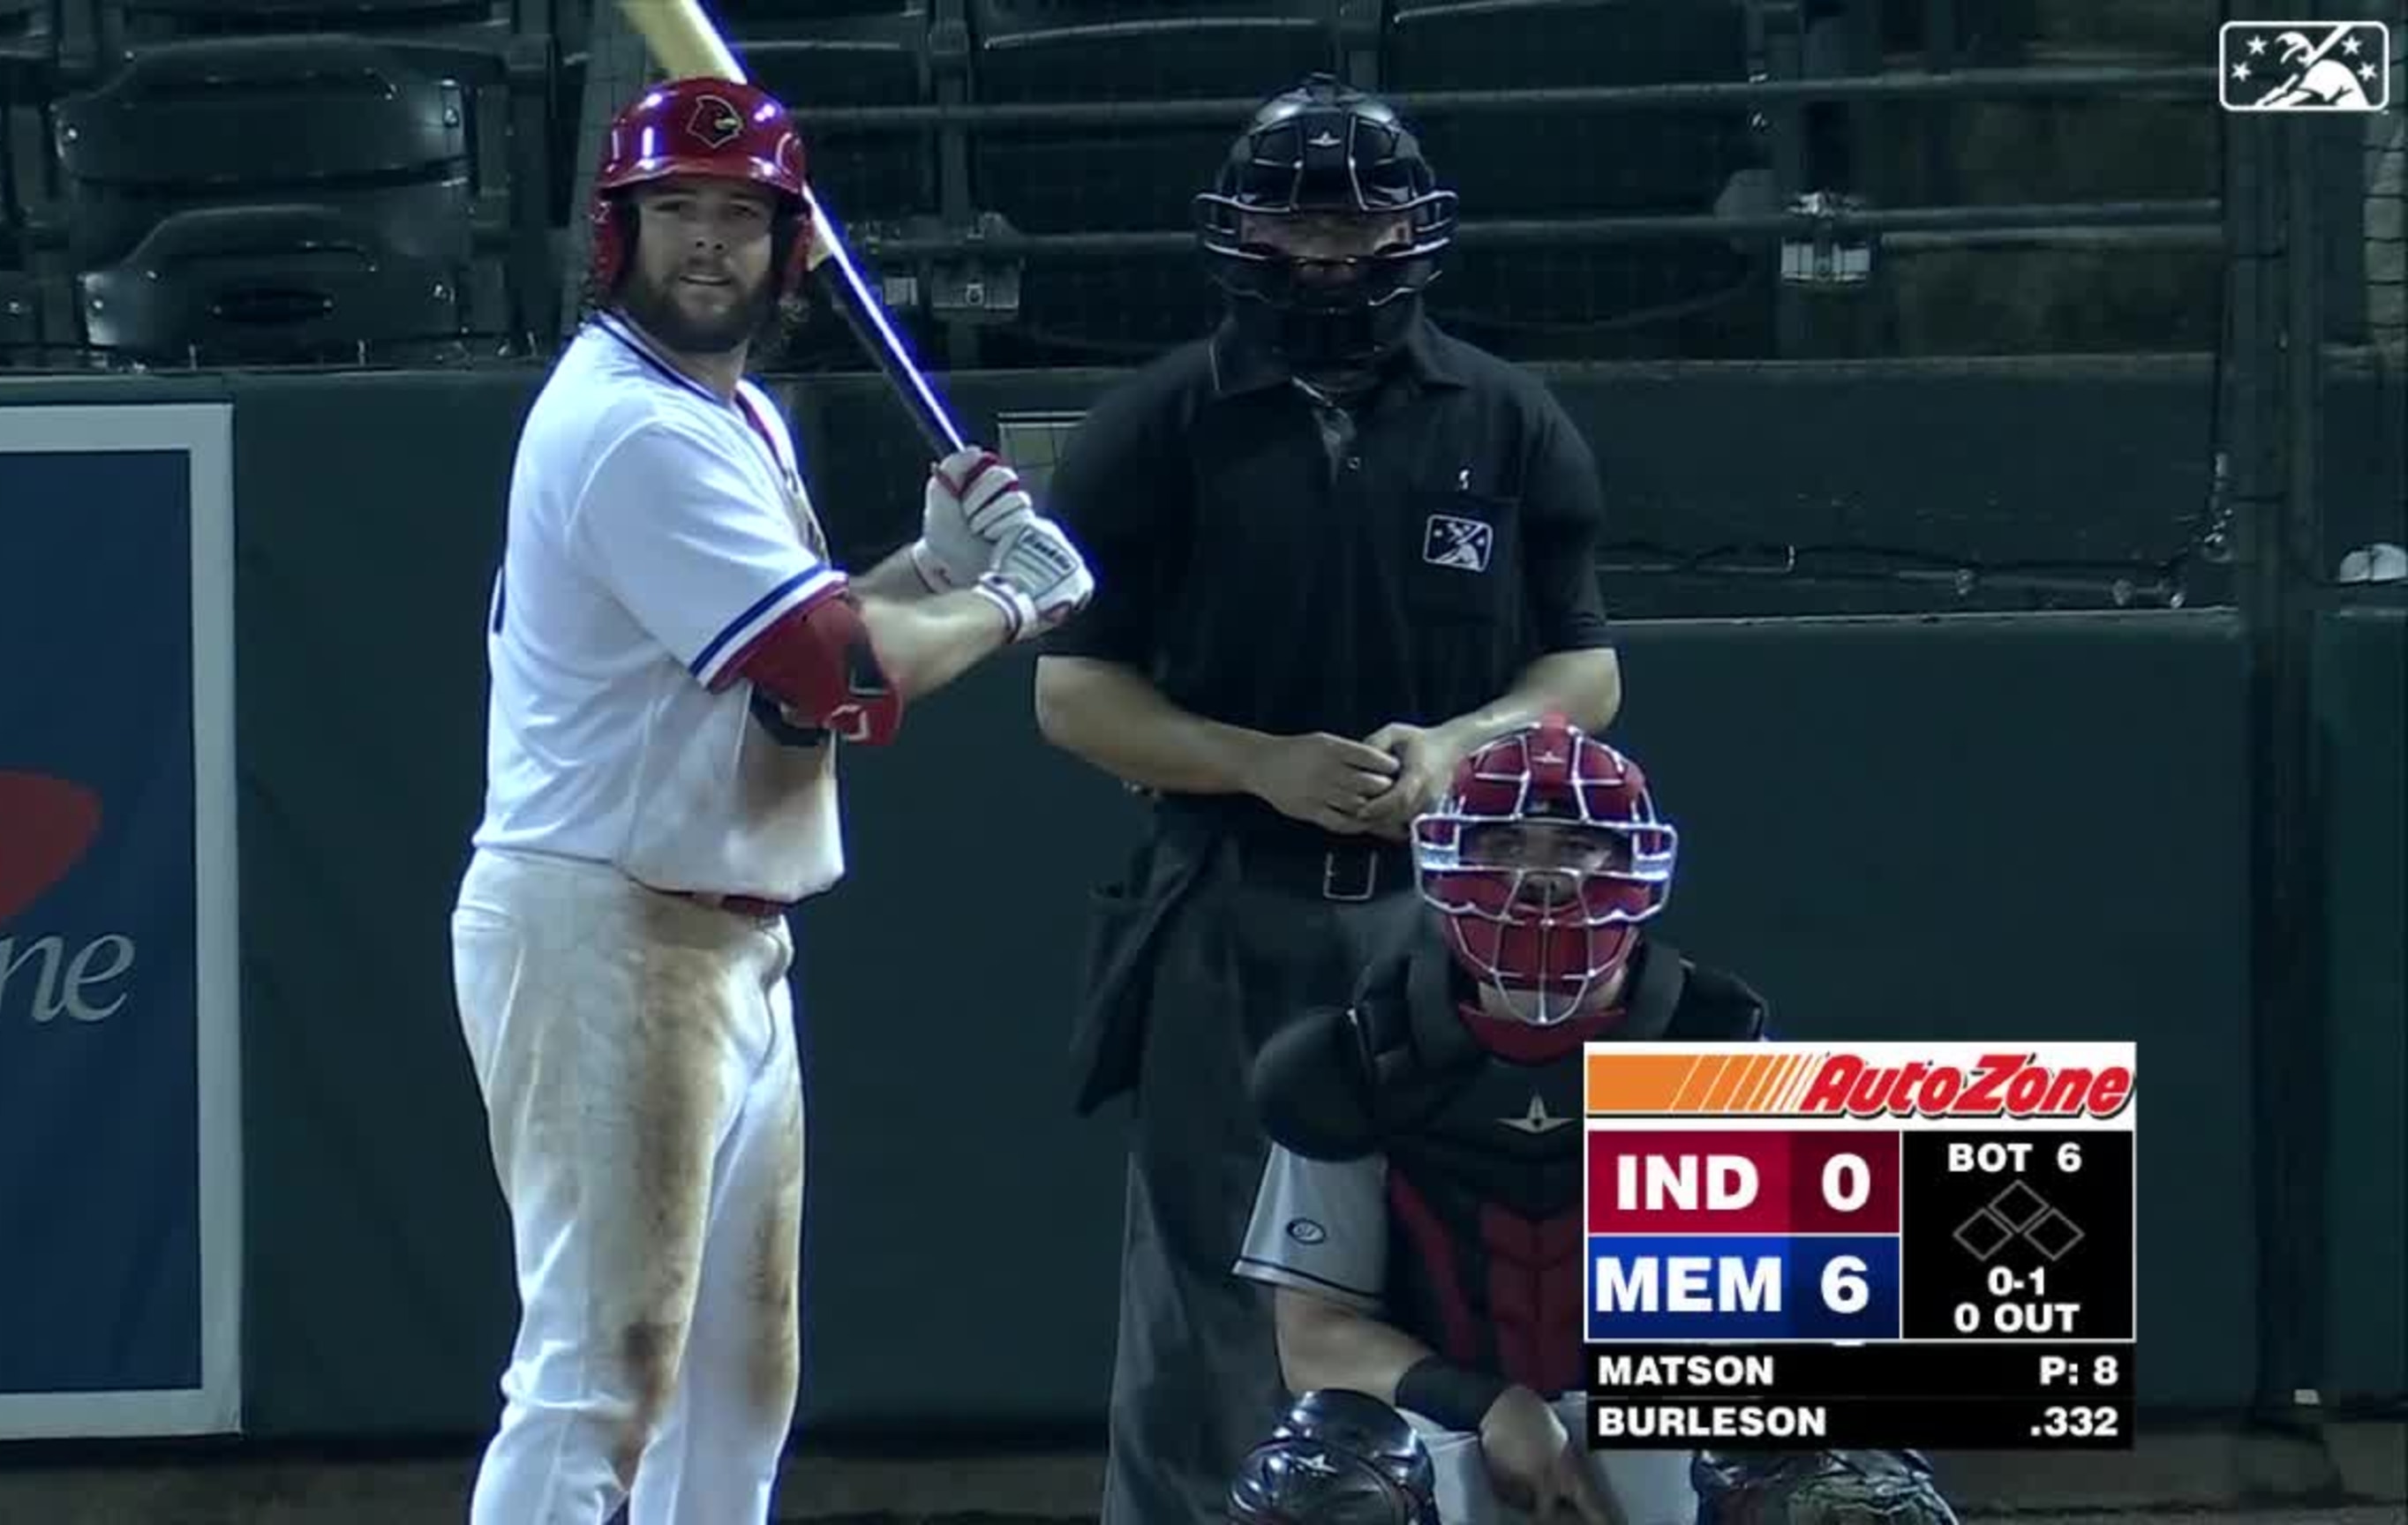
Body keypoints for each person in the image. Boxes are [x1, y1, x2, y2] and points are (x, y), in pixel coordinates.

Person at [447, 76, 1093, 1525]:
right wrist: (1006, 601)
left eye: (740, 217)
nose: (704, 243)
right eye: (673, 209)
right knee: (600, 1373)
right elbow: (841, 675)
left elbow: (783, 673)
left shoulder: (729, 416)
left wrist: (925, 576)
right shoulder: (635, 429)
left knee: (739, 1384)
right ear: (615, 233)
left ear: (787, 248)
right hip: (604, 925)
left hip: (716, 936)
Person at [1031, 73, 1624, 1523]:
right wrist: (1258, 759)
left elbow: (1585, 667)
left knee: (1457, 1266)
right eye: (1302, 219)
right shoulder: (1155, 425)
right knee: (1211, 1296)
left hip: (1456, 925)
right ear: (1247, 232)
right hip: (1231, 908)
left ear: (1410, 229)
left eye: (1358, 217)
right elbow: (1069, 691)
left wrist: (1464, 744)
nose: (1331, 248)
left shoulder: (1507, 416)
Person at [1233, 718, 1756, 1524]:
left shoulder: (1721, 1045)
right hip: (1452, 1429)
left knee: (1829, 1468)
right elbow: (1315, 1340)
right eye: (1506, 844)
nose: (1540, 880)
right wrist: (1492, 1406)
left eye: (1577, 844)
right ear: (1448, 859)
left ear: (1633, 864)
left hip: (1657, 1422)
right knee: (1318, 1482)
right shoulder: (1361, 1060)